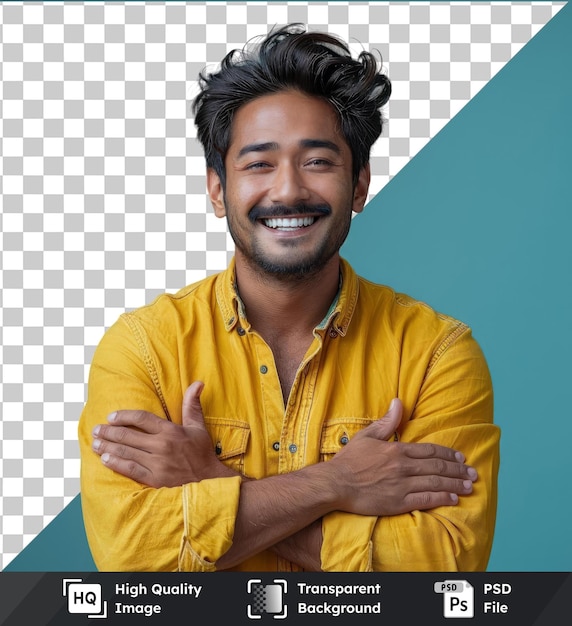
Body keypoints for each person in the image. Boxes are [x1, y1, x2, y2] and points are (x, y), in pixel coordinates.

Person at [78, 24, 500, 572]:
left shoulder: (436, 355)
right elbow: (133, 560)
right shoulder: (144, 351)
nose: (287, 190)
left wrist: (213, 485)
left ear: (359, 185)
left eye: (318, 161)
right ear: (216, 188)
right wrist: (338, 483)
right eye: (258, 163)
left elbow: (442, 573)